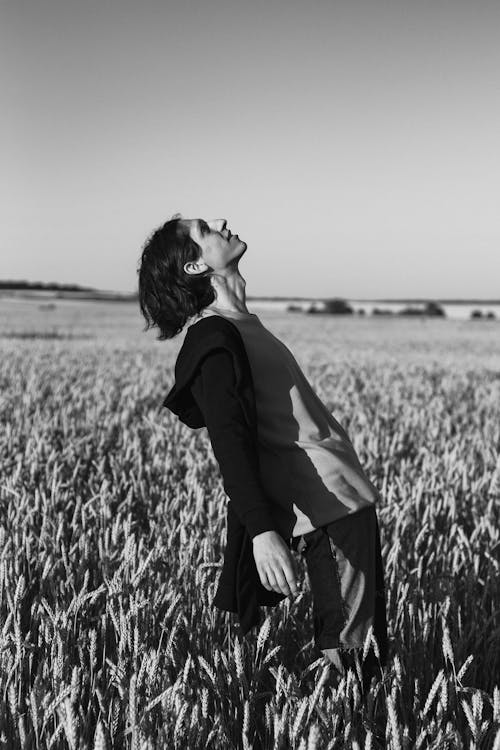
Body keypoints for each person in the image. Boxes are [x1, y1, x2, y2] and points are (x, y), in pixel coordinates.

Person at [137, 213, 388, 691]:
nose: (222, 223)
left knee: (368, 650)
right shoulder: (214, 339)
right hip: (324, 506)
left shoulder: (243, 324)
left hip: (346, 501)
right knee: (352, 653)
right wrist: (262, 532)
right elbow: (228, 444)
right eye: (206, 229)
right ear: (195, 267)